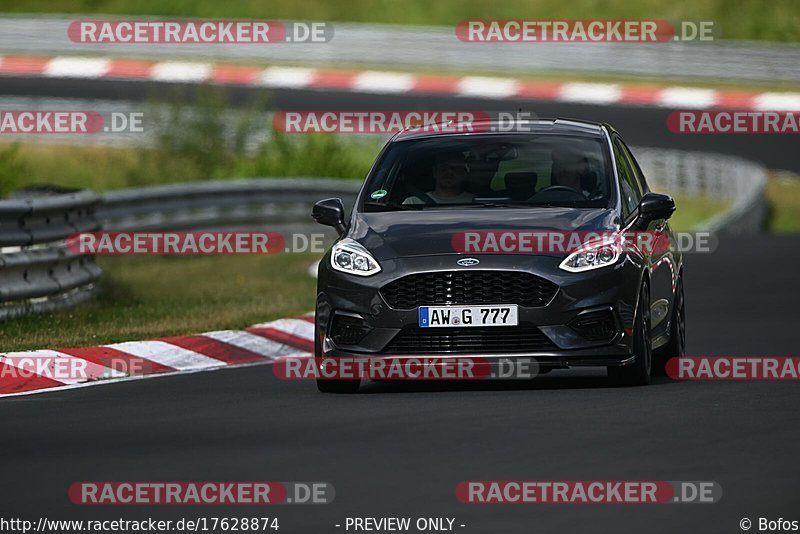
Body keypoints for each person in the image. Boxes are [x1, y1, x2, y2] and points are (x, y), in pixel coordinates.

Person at [403, 152, 475, 205]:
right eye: (443, 167)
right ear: (434, 172)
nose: (449, 172)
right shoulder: (412, 203)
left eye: (455, 168)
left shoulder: (476, 203)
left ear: (464, 173)